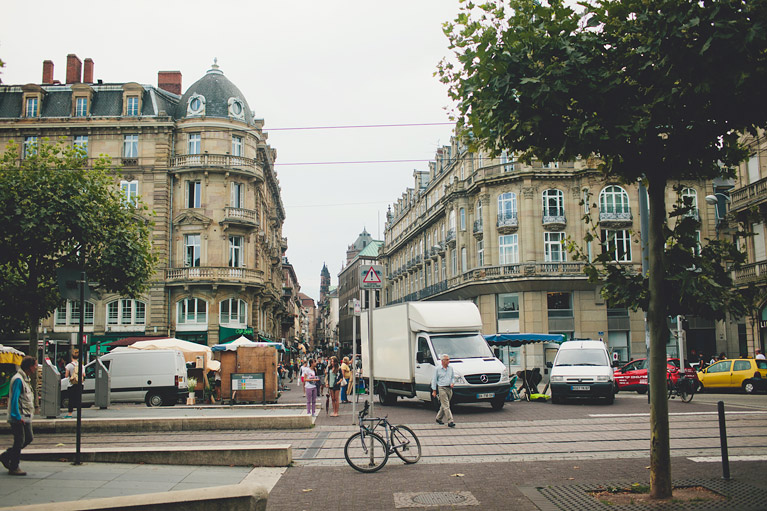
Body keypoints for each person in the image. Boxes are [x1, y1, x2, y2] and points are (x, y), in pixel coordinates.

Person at [1, 356, 38, 476]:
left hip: (25, 415)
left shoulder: (24, 378)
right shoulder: (18, 379)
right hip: (19, 416)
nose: (36, 367)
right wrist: (16, 416)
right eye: (35, 365)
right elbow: (14, 399)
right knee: (19, 440)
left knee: (28, 438)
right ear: (29, 366)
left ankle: (6, 456)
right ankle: (14, 466)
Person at [431, 354, 455, 428]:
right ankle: (450, 421)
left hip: (449, 388)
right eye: (447, 360)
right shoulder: (437, 369)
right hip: (441, 388)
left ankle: (438, 418)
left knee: (444, 405)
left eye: (448, 359)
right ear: (442, 361)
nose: (448, 361)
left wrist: (452, 383)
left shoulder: (450, 368)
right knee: (446, 405)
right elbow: (434, 380)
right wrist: (434, 390)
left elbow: (452, 377)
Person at [64, 353, 81, 418]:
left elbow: (66, 375)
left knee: (71, 399)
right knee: (78, 399)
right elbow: (84, 375)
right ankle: (78, 414)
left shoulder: (69, 365)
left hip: (71, 384)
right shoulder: (81, 365)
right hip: (79, 384)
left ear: (71, 357)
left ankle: (70, 414)